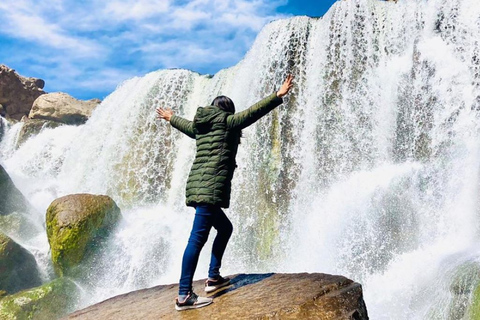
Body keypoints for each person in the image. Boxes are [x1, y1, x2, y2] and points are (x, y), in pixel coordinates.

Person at [156, 75, 294, 311]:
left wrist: (171, 118)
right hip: (210, 189)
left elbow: (186, 126)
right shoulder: (228, 122)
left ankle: (213, 278)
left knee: (225, 228)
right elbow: (252, 113)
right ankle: (184, 295)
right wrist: (277, 96)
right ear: (227, 110)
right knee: (196, 239)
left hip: (198, 187)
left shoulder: (201, 127)